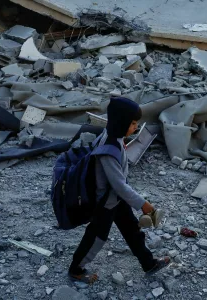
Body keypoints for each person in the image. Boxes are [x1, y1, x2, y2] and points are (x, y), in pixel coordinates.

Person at [68, 97, 170, 283]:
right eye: (132, 123)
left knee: (133, 230)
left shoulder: (114, 136)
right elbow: (119, 185)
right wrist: (143, 205)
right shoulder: (108, 150)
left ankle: (148, 263)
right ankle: (76, 268)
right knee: (97, 237)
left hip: (116, 198)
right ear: (121, 122)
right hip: (106, 202)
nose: (135, 127)